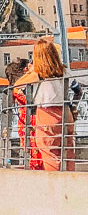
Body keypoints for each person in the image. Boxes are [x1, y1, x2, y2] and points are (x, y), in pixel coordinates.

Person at [15, 37, 77, 171]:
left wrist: (32, 71)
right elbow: (78, 90)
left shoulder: (39, 74)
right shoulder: (64, 71)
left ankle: (56, 185)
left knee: (49, 150)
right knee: (67, 150)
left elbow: (17, 86)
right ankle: (71, 180)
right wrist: (74, 106)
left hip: (47, 114)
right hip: (66, 112)